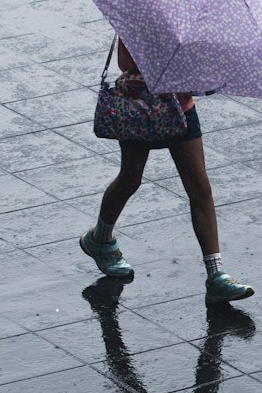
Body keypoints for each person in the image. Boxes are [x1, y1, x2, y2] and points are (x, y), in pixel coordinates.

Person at [79, 39, 253, 305]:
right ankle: (100, 239)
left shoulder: (184, 18)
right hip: (141, 106)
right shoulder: (138, 14)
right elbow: (135, 63)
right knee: (130, 178)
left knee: (199, 187)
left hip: (181, 107)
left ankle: (216, 276)